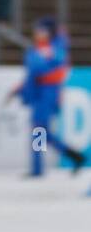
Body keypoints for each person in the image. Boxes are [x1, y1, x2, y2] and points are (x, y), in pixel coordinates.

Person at [9, 16, 85, 176]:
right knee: (44, 133)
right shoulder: (39, 49)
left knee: (39, 130)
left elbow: (50, 72)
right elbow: (32, 75)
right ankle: (73, 156)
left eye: (40, 30)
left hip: (46, 95)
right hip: (40, 94)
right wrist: (20, 89)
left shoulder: (52, 49)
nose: (37, 33)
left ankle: (38, 168)